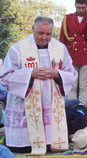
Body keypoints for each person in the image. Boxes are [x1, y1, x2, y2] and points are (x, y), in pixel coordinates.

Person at [0, 16, 77, 154]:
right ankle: (22, 143)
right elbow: (5, 77)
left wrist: (57, 74)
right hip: (24, 106)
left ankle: (49, 142)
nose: (44, 37)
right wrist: (30, 74)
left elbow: (71, 73)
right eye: (40, 33)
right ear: (33, 29)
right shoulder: (17, 49)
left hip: (51, 105)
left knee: (50, 146)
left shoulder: (60, 48)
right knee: (23, 147)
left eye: (48, 34)